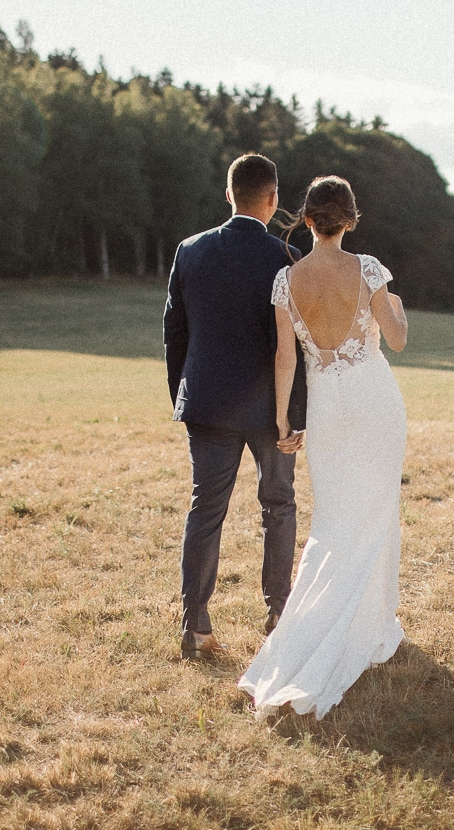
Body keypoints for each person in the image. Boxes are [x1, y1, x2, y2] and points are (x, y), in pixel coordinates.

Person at [238, 175, 409, 719]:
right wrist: (396, 308)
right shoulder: (370, 269)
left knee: (333, 523)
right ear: (351, 220)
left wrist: (285, 416)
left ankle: (336, 627)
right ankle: (369, 628)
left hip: (329, 407)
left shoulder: (286, 282)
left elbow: (285, 359)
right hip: (376, 401)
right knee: (376, 514)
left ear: (306, 219)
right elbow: (398, 338)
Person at [164, 154, 307, 661]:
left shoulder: (190, 251)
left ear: (228, 195)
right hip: (271, 410)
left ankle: (195, 625)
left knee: (206, 509)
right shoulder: (286, 258)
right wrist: (297, 415)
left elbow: (174, 333)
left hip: (206, 405)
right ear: (272, 199)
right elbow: (296, 346)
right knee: (279, 504)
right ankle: (278, 614)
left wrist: (183, 395)